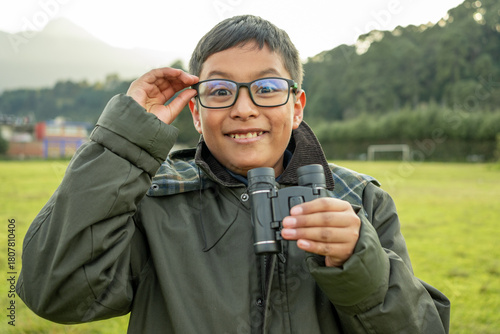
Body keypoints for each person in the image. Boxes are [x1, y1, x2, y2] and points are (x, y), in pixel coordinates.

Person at [17, 15, 450, 333]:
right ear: (197, 113)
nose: (244, 108)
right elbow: (56, 291)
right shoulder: (152, 200)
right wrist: (127, 138)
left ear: (296, 107)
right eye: (220, 91)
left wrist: (359, 262)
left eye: (266, 89)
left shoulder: (359, 201)